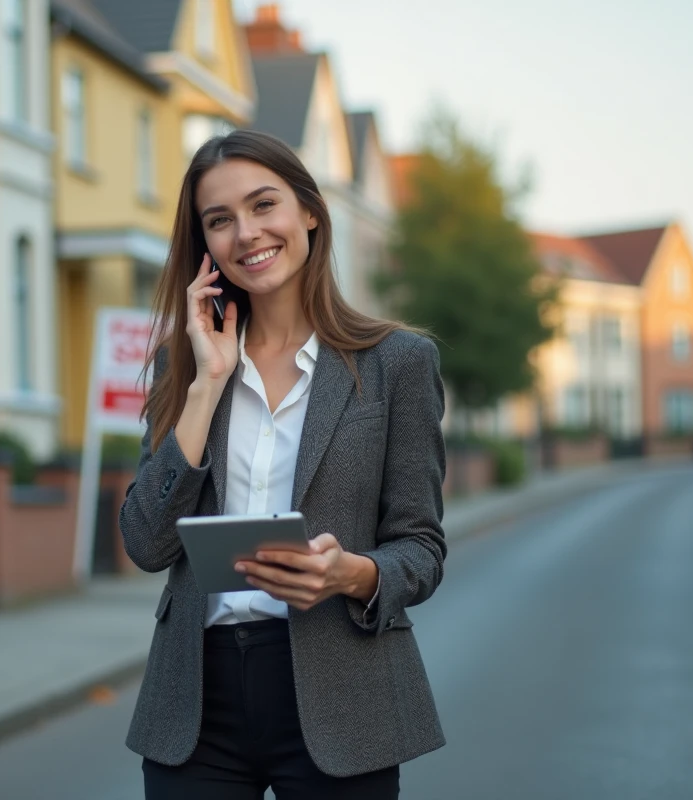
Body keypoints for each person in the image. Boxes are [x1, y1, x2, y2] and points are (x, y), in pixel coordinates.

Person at [119, 129, 447, 800]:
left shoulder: (397, 364)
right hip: (196, 701)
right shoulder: (182, 369)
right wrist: (206, 384)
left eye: (263, 205)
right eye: (219, 220)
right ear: (204, 244)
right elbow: (145, 542)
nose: (245, 232)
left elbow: (421, 547)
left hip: (341, 692)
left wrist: (353, 574)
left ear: (309, 212)